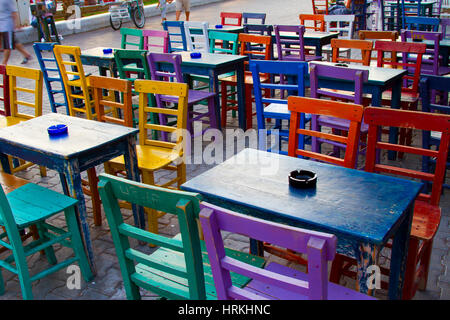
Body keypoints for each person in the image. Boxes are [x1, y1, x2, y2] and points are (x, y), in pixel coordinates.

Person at [0, 0, 32, 65]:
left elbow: (14, 12)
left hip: (7, 25)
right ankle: (27, 55)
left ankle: (4, 63)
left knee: (8, 45)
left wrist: (16, 24)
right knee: (14, 42)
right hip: (2, 25)